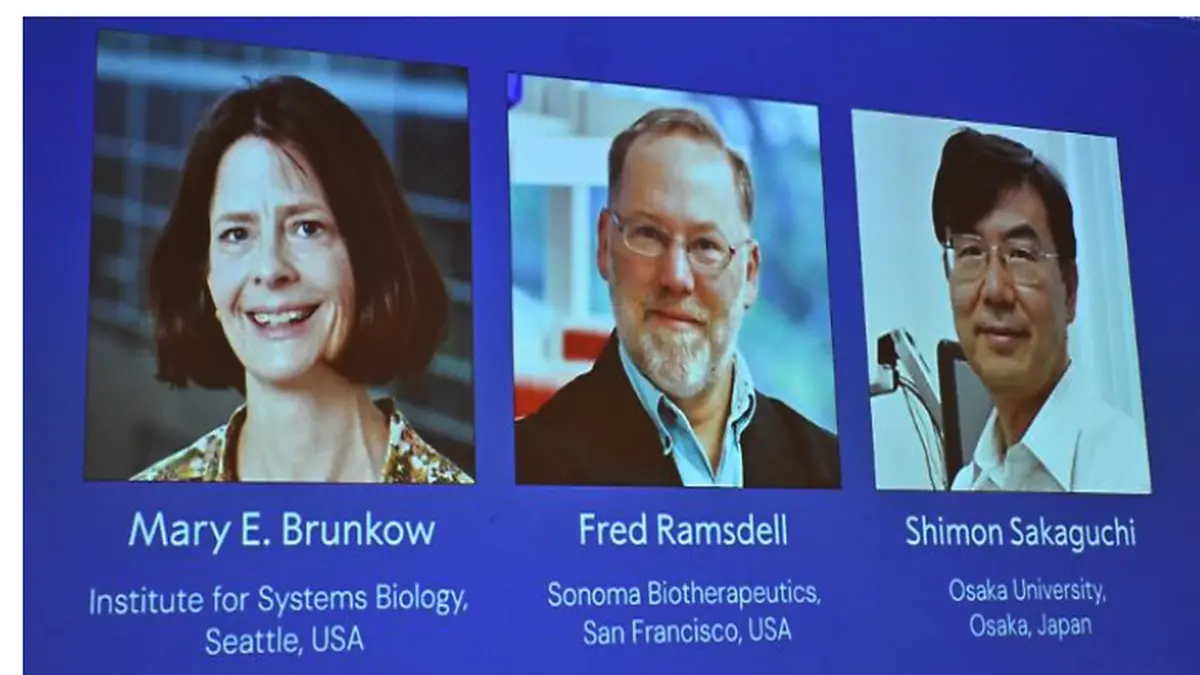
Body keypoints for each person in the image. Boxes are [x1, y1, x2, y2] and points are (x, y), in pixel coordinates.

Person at [132, 75, 472, 484]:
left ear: (367, 256)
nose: (271, 269)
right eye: (237, 234)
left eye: (307, 228)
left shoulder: (455, 513)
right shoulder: (154, 505)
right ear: (207, 275)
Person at [515, 107, 840, 489]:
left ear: (750, 274)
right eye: (648, 235)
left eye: (706, 245)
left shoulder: (830, 467)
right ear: (605, 246)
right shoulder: (530, 465)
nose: (676, 277)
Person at [933, 127, 1149, 493]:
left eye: (1020, 254)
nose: (996, 290)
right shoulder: (966, 490)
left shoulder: (1132, 474)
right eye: (970, 252)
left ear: (1070, 291)